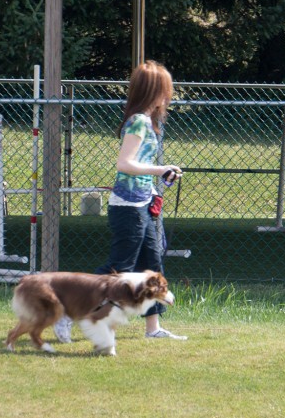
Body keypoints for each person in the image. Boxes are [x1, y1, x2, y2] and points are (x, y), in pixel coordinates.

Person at [55, 60, 187, 342]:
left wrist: (160, 180)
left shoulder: (149, 122)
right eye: (165, 90)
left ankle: (153, 329)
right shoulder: (139, 121)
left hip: (143, 203)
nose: (169, 96)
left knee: (152, 265)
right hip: (127, 209)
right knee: (118, 269)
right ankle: (67, 311)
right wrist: (159, 169)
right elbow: (125, 164)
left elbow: (138, 167)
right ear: (152, 91)